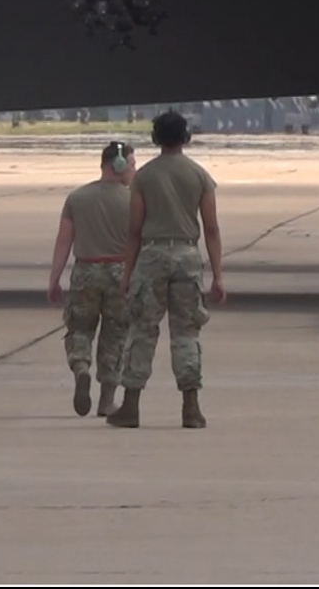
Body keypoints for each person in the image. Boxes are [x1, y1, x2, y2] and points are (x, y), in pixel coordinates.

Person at [109, 110, 227, 430]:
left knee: (142, 331)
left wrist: (127, 273)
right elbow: (212, 229)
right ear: (186, 137)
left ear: (155, 138)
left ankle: (131, 406)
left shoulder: (144, 177)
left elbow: (134, 230)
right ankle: (191, 407)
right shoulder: (200, 176)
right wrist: (217, 275)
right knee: (187, 332)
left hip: (152, 255)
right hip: (188, 256)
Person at [47, 140, 137, 419]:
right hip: (119, 273)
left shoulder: (76, 198)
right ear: (119, 166)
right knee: (116, 335)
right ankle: (106, 401)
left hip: (85, 272)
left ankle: (81, 369)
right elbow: (140, 241)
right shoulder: (134, 200)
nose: (135, 170)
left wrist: (54, 279)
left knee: (80, 330)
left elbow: (63, 242)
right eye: (132, 164)